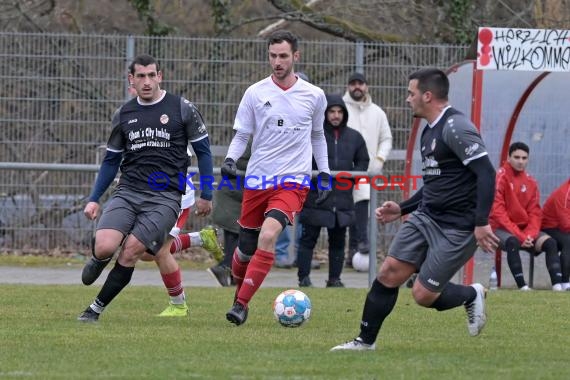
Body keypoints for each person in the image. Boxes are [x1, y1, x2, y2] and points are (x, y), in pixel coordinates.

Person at [331, 68, 498, 351]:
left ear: (427, 96)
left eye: (411, 93)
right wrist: (402, 208)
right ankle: (364, 342)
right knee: (389, 272)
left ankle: (471, 294)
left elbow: (487, 174)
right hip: (426, 217)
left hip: (457, 227)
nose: (407, 99)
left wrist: (481, 222)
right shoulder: (428, 130)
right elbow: (435, 184)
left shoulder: (456, 128)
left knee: (422, 294)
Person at [78, 54, 214, 322]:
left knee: (133, 250)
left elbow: (205, 153)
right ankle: (98, 258)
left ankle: (94, 309)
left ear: (160, 76)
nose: (147, 81)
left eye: (152, 75)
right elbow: (111, 160)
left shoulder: (182, 108)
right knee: (105, 246)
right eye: (141, 76)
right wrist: (94, 198)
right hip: (128, 191)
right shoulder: (124, 114)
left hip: (165, 197)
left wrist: (207, 193)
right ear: (132, 80)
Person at [221, 30, 331, 326]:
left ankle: (241, 305)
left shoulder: (314, 95)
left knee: (268, 236)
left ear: (296, 56)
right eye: (273, 56)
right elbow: (243, 133)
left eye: (283, 56)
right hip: (258, 180)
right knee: (244, 250)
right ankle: (238, 292)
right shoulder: (255, 92)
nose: (277, 62)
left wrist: (325, 172)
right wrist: (231, 159)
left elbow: (318, 136)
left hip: (293, 181)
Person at [297, 93, 369, 288]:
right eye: (331, 111)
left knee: (337, 243)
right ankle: (303, 278)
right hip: (315, 199)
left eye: (339, 111)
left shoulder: (355, 137)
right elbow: (302, 159)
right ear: (325, 113)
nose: (335, 115)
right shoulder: (314, 135)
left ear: (344, 114)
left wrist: (352, 177)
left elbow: (363, 160)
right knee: (308, 240)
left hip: (342, 200)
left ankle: (335, 279)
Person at [490, 142, 563, 291]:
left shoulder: (531, 181)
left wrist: (528, 235)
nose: (520, 161)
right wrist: (520, 236)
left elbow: (535, 213)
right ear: (508, 158)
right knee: (512, 242)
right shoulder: (500, 177)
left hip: (525, 232)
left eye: (524, 158)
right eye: (516, 157)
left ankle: (558, 287)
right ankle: (523, 287)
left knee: (550, 243)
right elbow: (498, 212)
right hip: (500, 228)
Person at [342, 72, 393, 267]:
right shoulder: (340, 109)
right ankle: (353, 250)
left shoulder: (377, 113)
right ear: (348, 86)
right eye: (353, 83)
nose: (357, 87)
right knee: (347, 214)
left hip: (368, 171)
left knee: (362, 208)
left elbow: (386, 139)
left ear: (367, 86)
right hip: (344, 171)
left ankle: (359, 247)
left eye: (360, 84)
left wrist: (379, 159)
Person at [208, 139, 252, 287]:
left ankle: (233, 276)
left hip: (236, 196)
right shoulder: (250, 138)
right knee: (237, 238)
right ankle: (224, 267)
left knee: (235, 238)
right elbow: (244, 161)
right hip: (233, 197)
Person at [541, 177, 570, 291]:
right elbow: (566, 224)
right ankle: (565, 282)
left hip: (562, 228)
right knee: (569, 241)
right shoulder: (564, 193)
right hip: (549, 227)